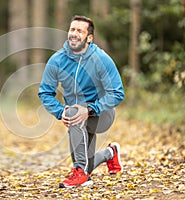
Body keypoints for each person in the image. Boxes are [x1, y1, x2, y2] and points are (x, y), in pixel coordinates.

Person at [38, 15, 125, 188]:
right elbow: (45, 92)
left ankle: (80, 173)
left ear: (89, 38)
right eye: (72, 29)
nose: (74, 34)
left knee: (74, 114)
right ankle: (109, 153)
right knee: (87, 163)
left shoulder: (101, 59)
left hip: (101, 115)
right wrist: (59, 111)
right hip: (76, 120)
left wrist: (90, 109)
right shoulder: (57, 60)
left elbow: (117, 93)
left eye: (80, 31)